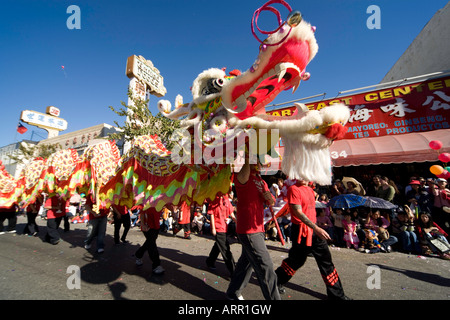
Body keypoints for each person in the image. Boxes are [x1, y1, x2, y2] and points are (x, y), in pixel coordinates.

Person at [275, 179, 349, 300]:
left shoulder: (310, 190)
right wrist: (316, 228)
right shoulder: (294, 189)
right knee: (296, 261)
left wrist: (316, 228)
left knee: (326, 261)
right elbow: (298, 212)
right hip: (301, 232)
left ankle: (337, 296)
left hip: (314, 232)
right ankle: (276, 281)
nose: (305, 177)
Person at [225, 159, 280, 300]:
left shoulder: (262, 182)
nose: (260, 164)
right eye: (258, 160)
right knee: (266, 266)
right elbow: (243, 176)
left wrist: (270, 199)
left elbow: (271, 201)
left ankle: (233, 293)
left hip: (259, 228)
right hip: (248, 230)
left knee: (246, 263)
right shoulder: (242, 176)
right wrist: (250, 153)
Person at [206, 194, 236, 276]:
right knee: (225, 248)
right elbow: (211, 214)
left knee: (218, 246)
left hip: (224, 227)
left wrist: (238, 222)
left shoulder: (226, 199)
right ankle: (233, 271)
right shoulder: (214, 199)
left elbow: (232, 214)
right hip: (218, 227)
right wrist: (213, 228)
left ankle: (210, 261)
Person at [135, 207, 165, 274]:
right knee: (152, 244)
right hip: (147, 226)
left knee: (149, 243)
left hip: (156, 226)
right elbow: (142, 212)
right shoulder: (147, 198)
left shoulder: (161, 199)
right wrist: (142, 224)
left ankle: (138, 254)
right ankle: (156, 265)